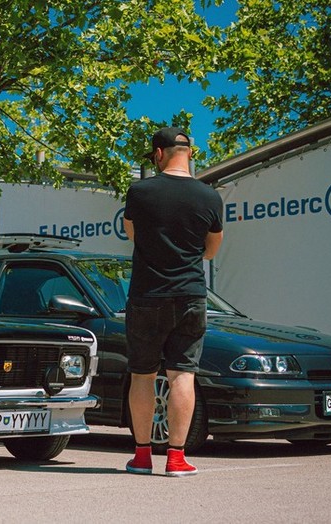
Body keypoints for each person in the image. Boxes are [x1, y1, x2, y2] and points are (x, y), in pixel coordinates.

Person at [122, 127, 223, 477]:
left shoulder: (140, 191)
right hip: (190, 295)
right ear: (190, 154)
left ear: (158, 154)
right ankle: (176, 458)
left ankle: (142, 456)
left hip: (147, 296)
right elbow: (211, 249)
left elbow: (133, 234)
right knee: (183, 374)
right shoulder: (210, 196)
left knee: (142, 375)